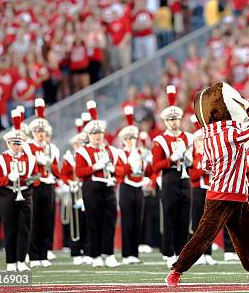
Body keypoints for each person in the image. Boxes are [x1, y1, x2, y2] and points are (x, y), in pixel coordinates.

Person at [166, 82, 249, 286]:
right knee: (203, 237)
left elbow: (207, 163)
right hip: (222, 196)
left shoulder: (211, 134)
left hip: (236, 194)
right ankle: (176, 271)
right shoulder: (228, 132)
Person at [74, 101, 123, 268]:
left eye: (100, 132)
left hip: (108, 187)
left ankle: (108, 253)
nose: (98, 135)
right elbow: (79, 172)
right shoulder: (82, 151)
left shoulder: (111, 150)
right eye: (94, 133)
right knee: (93, 222)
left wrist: (113, 168)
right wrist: (95, 167)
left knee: (110, 221)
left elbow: (122, 169)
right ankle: (94, 255)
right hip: (91, 188)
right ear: (88, 135)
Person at [0, 109, 39, 272]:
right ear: (8, 143)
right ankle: (11, 262)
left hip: (25, 194)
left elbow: (37, 178)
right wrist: (9, 179)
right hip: (7, 194)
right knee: (10, 228)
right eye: (14, 143)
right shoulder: (1, 159)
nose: (17, 146)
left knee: (25, 228)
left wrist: (28, 180)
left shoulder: (30, 159)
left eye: (19, 143)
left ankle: (21, 260)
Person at [152, 85, 193, 268]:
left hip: (185, 179)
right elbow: (155, 165)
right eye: (171, 120)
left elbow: (195, 158)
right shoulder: (160, 140)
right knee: (169, 216)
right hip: (169, 179)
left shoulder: (188, 138)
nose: (174, 122)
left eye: (176, 119)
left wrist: (191, 159)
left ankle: (182, 252)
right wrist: (171, 159)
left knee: (184, 217)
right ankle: (168, 252)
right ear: (166, 121)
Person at [116, 106, 152, 265]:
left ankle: (134, 253)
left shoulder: (140, 152)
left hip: (138, 187)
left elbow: (148, 171)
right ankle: (126, 253)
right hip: (126, 187)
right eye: (128, 138)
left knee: (138, 220)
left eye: (133, 138)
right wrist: (129, 166)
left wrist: (146, 162)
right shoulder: (119, 153)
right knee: (127, 220)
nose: (131, 141)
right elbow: (118, 172)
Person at [26, 98, 60, 268]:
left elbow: (57, 171)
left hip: (48, 185)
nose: (41, 134)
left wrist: (50, 164)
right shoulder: (28, 147)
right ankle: (33, 255)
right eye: (38, 131)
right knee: (35, 220)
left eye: (43, 131)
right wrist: (36, 161)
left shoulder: (52, 148)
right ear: (33, 132)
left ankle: (44, 254)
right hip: (35, 186)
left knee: (47, 220)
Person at [59, 119, 91, 265]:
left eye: (83, 143)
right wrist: (69, 183)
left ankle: (88, 249)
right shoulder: (70, 158)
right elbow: (63, 174)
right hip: (75, 191)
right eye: (78, 144)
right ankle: (76, 250)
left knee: (88, 220)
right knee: (76, 222)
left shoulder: (89, 155)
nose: (80, 146)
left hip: (88, 190)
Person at [188, 129, 218, 266]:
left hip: (211, 191)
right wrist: (202, 169)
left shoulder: (213, 155)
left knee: (210, 223)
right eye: (200, 140)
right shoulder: (193, 156)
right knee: (197, 224)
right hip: (198, 191)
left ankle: (208, 253)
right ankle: (196, 255)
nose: (202, 143)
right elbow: (193, 176)